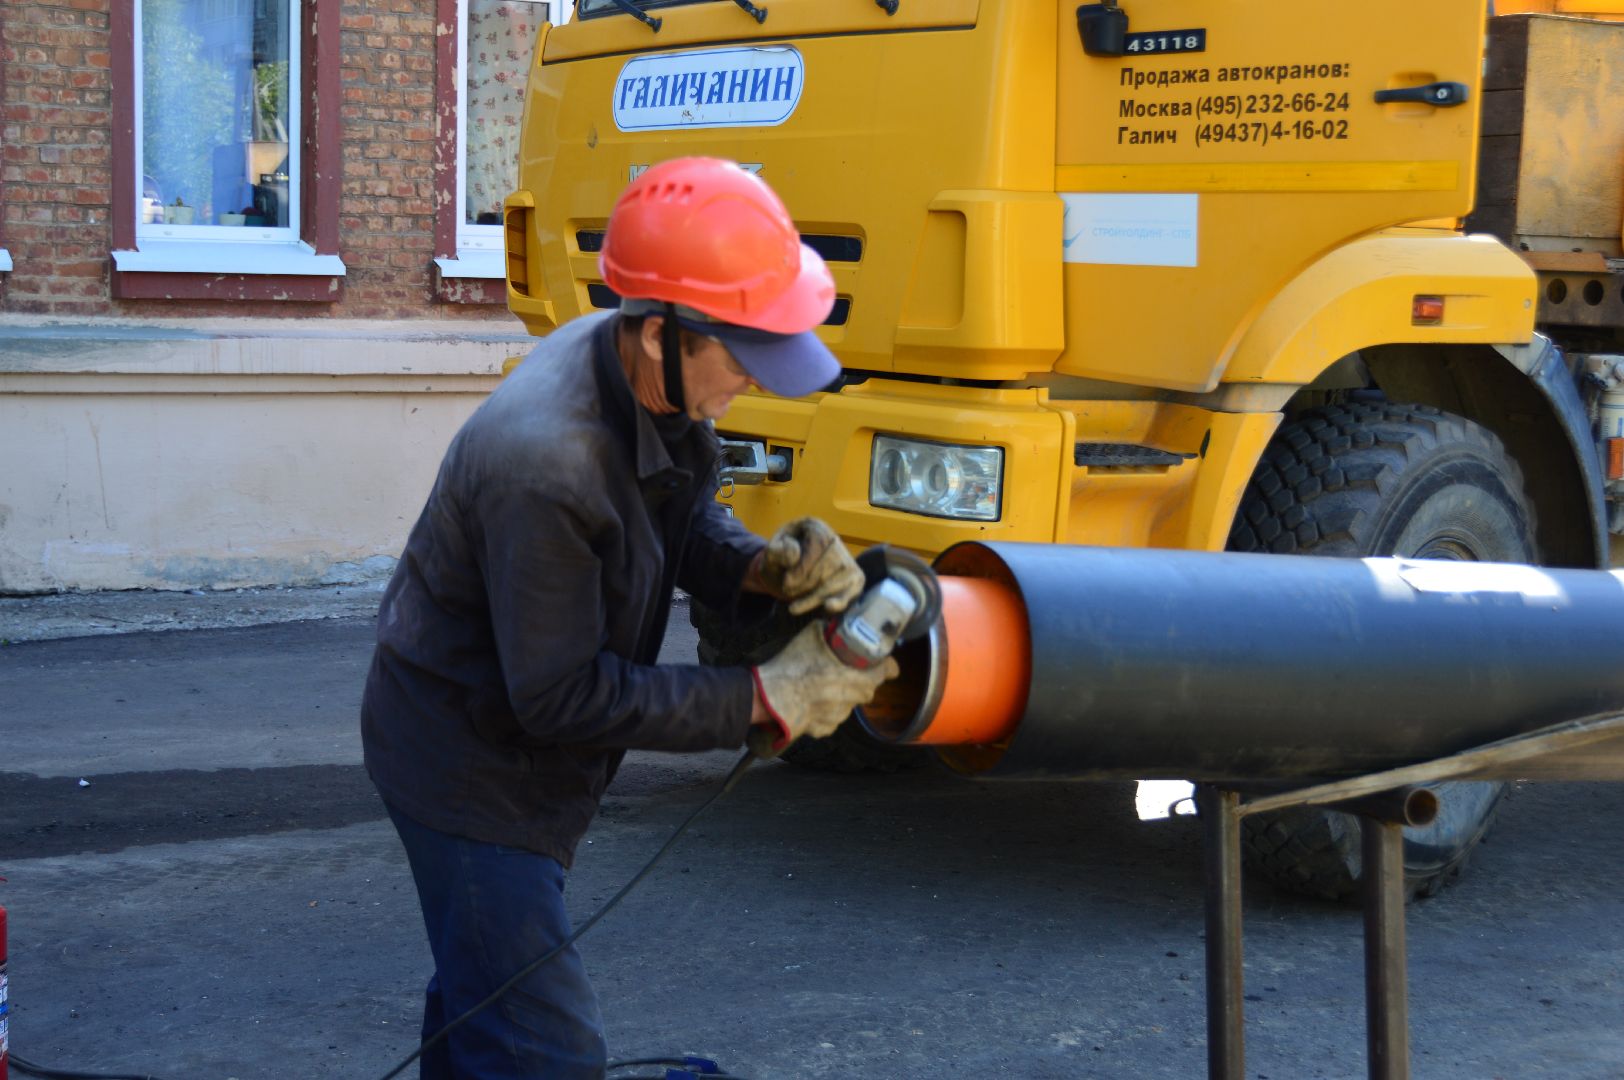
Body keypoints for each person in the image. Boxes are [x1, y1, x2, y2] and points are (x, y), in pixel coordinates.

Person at [360, 156, 898, 1080]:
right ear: (659, 334)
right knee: (542, 1051)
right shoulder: (547, 464)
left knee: (483, 1000)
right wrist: (765, 697)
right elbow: (562, 697)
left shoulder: (640, 368)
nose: (751, 385)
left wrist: (759, 571)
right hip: (467, 767)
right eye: (741, 357)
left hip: (515, 746)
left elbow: (679, 513)